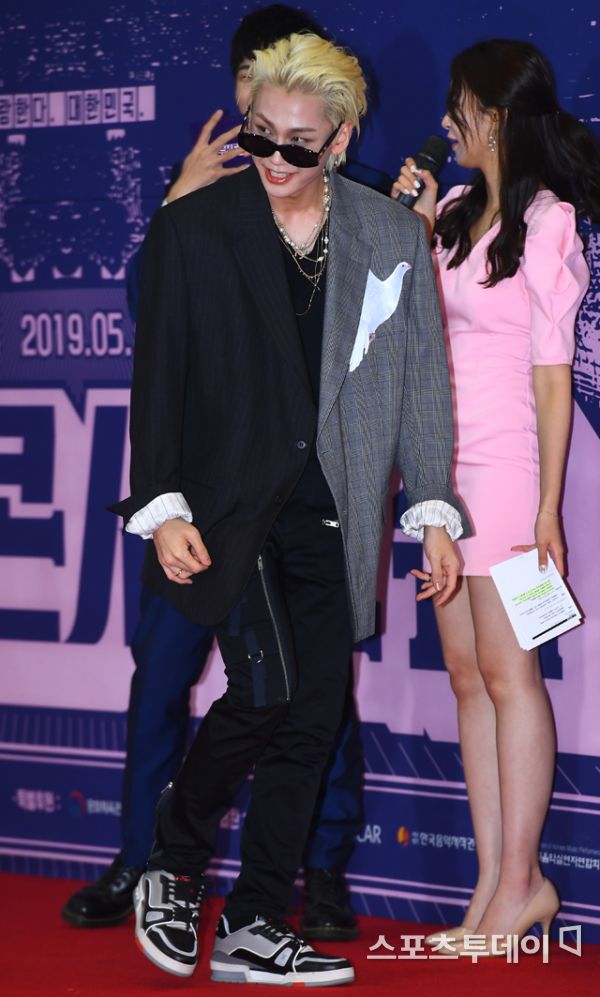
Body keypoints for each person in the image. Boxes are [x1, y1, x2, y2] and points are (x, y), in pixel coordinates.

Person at [112, 30, 467, 986]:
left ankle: (257, 919)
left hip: (334, 507)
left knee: (312, 717)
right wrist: (163, 504)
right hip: (227, 505)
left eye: (298, 143)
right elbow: (160, 377)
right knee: (267, 690)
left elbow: (421, 383)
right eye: (260, 134)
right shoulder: (195, 227)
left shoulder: (390, 234)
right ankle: (174, 858)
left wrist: (433, 506)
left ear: (340, 140)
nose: (273, 157)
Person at [61, 6, 363, 942]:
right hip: (197, 497)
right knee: (163, 676)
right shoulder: (205, 187)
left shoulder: (339, 200)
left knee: (311, 690)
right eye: (253, 82)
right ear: (241, 86)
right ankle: (141, 857)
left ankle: (318, 868)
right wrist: (172, 204)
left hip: (299, 503)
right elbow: (150, 318)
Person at [393, 38, 599, 951]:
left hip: (511, 470)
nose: (448, 122)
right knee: (467, 676)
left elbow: (553, 377)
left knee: (512, 676)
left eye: (462, 107)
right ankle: (490, 884)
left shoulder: (549, 222)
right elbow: (411, 335)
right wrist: (411, 227)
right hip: (442, 474)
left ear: (500, 115)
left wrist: (549, 505)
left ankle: (523, 882)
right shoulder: (449, 210)